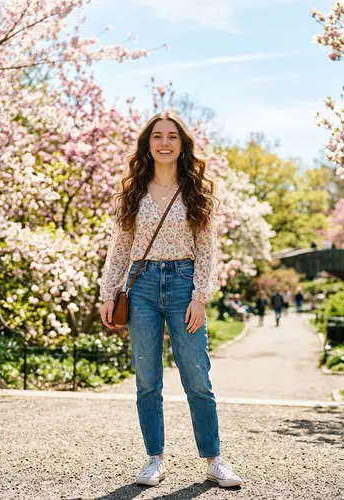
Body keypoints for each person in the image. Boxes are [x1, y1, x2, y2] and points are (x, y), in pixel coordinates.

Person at [99, 111, 242, 488]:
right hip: (141, 285)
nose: (164, 142)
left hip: (183, 285)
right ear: (147, 145)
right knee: (148, 380)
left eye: (172, 137)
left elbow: (208, 250)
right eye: (157, 136)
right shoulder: (133, 191)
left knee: (197, 376)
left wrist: (200, 296)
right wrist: (107, 294)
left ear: (182, 146)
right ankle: (154, 459)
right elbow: (120, 248)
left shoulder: (198, 192)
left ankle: (214, 460)